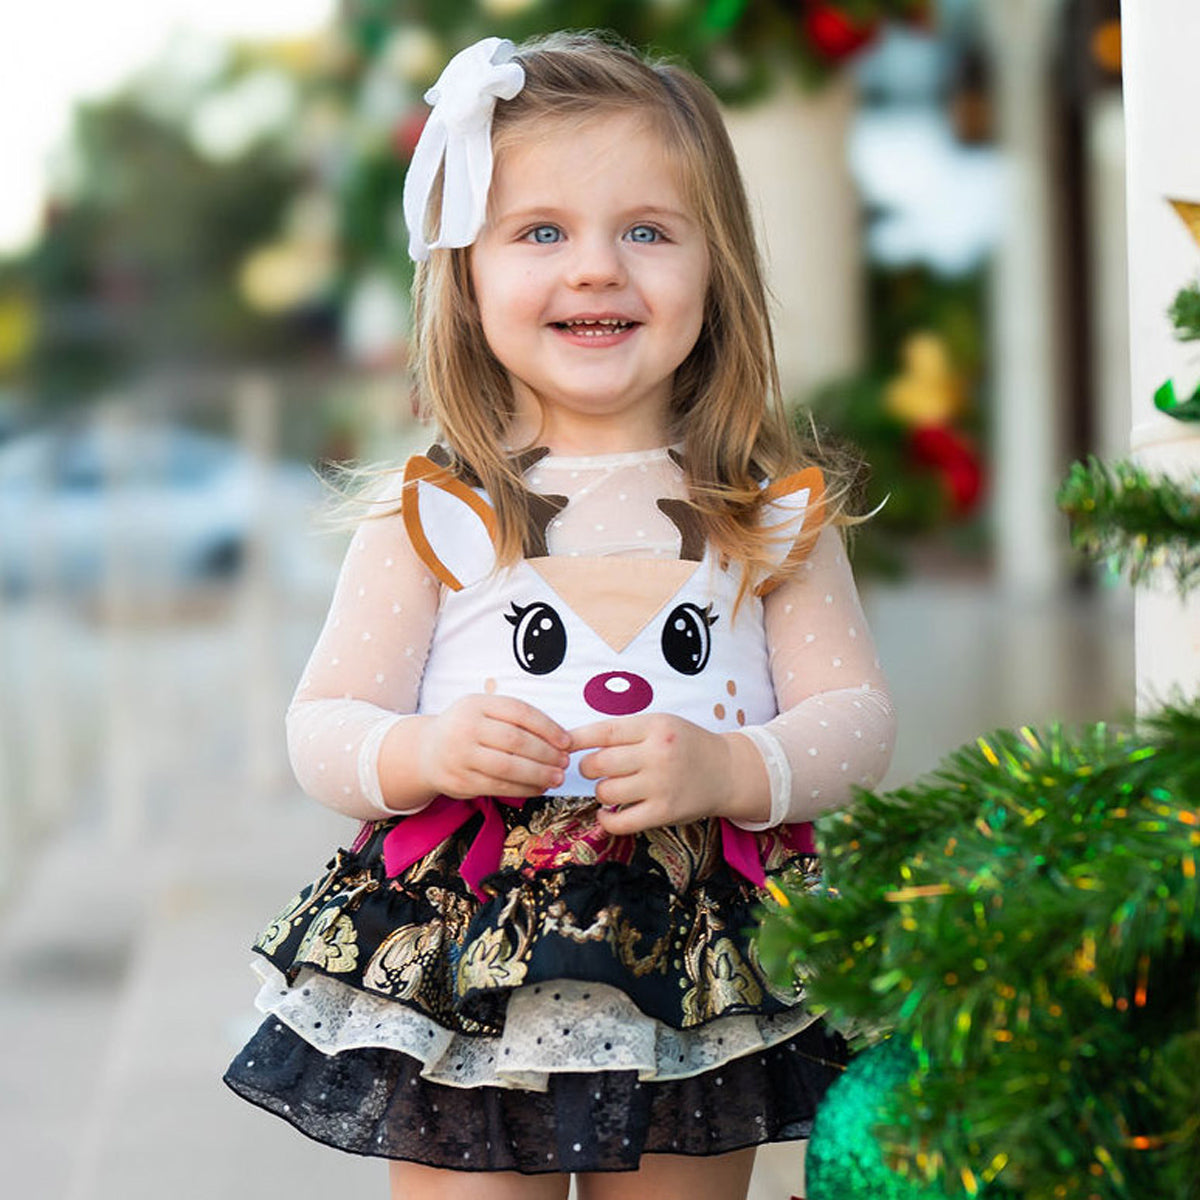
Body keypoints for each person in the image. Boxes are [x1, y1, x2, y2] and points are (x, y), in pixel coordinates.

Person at [224, 30, 895, 1200]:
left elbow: (857, 719)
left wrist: (734, 766)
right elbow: (322, 726)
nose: (596, 270)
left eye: (647, 231)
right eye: (541, 232)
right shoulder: (435, 510)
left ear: (717, 268)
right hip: (470, 952)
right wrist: (425, 750)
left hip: (692, 954)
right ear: (466, 274)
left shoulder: (762, 510)